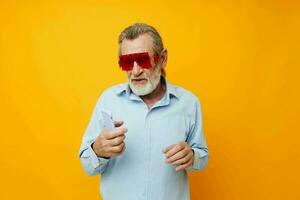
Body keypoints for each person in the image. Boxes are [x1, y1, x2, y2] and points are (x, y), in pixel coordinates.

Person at [78, 23, 209, 200]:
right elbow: (87, 165)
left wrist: (192, 156)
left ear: (162, 59)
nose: (135, 71)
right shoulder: (108, 100)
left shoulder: (188, 103)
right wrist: (97, 150)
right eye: (126, 62)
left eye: (142, 60)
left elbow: (202, 158)